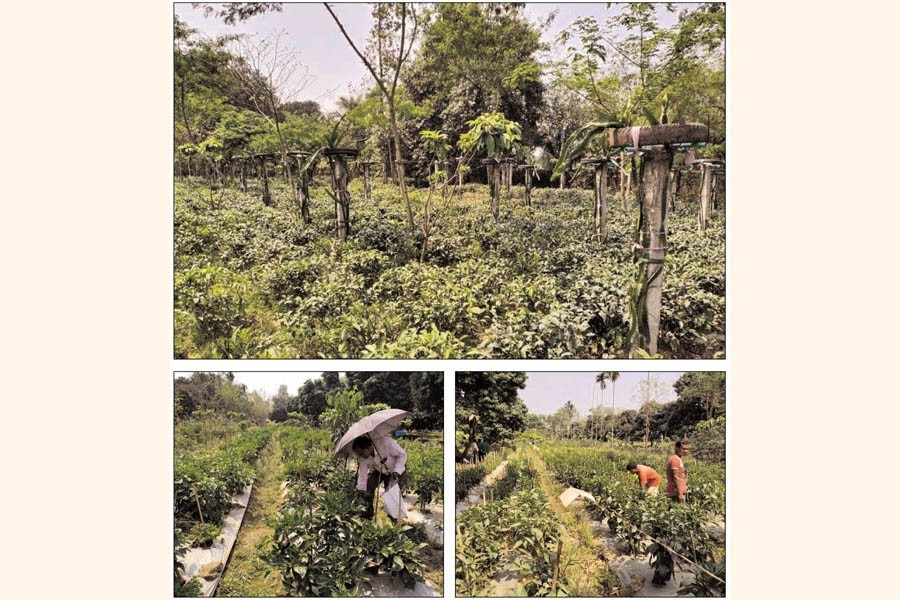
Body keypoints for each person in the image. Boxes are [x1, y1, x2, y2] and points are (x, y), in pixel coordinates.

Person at [351, 435, 407, 519]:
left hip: (395, 470)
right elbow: (363, 476)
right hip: (379, 470)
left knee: (391, 494)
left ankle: (394, 519)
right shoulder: (363, 458)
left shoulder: (386, 442)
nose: (360, 456)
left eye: (361, 453)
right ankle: (367, 514)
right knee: (368, 486)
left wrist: (396, 471)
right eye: (358, 454)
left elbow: (402, 455)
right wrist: (361, 491)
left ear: (368, 447)